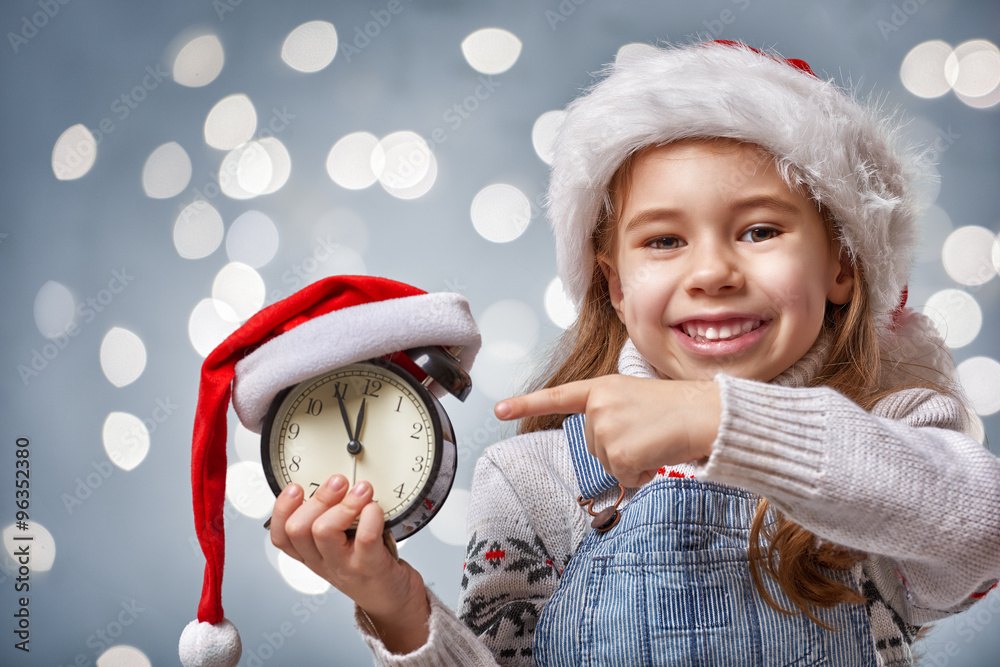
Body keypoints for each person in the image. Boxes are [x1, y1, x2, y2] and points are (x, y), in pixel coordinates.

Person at [268, 41, 1000, 666]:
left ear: (842, 265)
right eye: (664, 240)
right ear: (615, 284)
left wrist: (715, 419)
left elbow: (983, 527)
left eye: (759, 231)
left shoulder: (895, 433)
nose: (712, 271)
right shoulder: (533, 481)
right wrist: (398, 610)